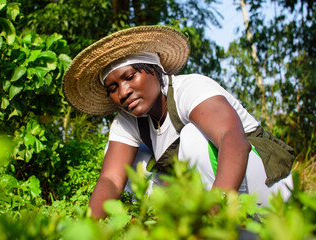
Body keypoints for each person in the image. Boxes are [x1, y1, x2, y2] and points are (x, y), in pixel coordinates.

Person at [62, 25, 294, 218]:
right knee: (129, 160)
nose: (123, 92)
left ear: (155, 70)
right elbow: (111, 179)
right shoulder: (127, 120)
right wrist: (88, 229)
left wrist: (215, 214)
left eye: (131, 76)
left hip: (264, 189)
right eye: (113, 88)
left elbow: (233, 140)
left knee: (193, 137)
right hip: (213, 206)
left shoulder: (190, 88)